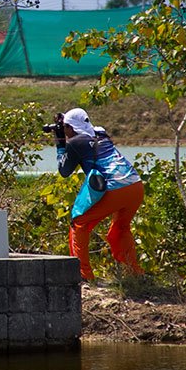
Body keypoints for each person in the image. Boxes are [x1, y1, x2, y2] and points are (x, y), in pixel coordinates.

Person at [53, 107, 145, 282]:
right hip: (135, 185)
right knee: (121, 228)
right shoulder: (101, 132)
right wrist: (65, 124)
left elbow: (64, 170)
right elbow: (86, 130)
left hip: (114, 188)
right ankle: (135, 274)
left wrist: (59, 142)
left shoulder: (75, 143)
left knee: (79, 222)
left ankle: (83, 275)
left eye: (65, 127)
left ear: (70, 128)